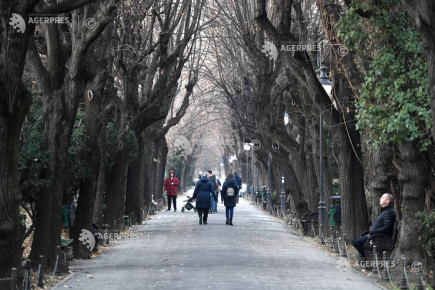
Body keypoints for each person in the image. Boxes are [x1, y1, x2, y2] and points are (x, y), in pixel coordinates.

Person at [352, 193, 396, 259]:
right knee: (357, 241)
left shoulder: (388, 212)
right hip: (374, 235)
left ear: (387, 201)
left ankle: (366, 258)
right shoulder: (385, 211)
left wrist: (373, 231)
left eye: (382, 197)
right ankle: (366, 257)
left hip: (378, 237)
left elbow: (387, 228)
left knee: (356, 242)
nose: (380, 198)